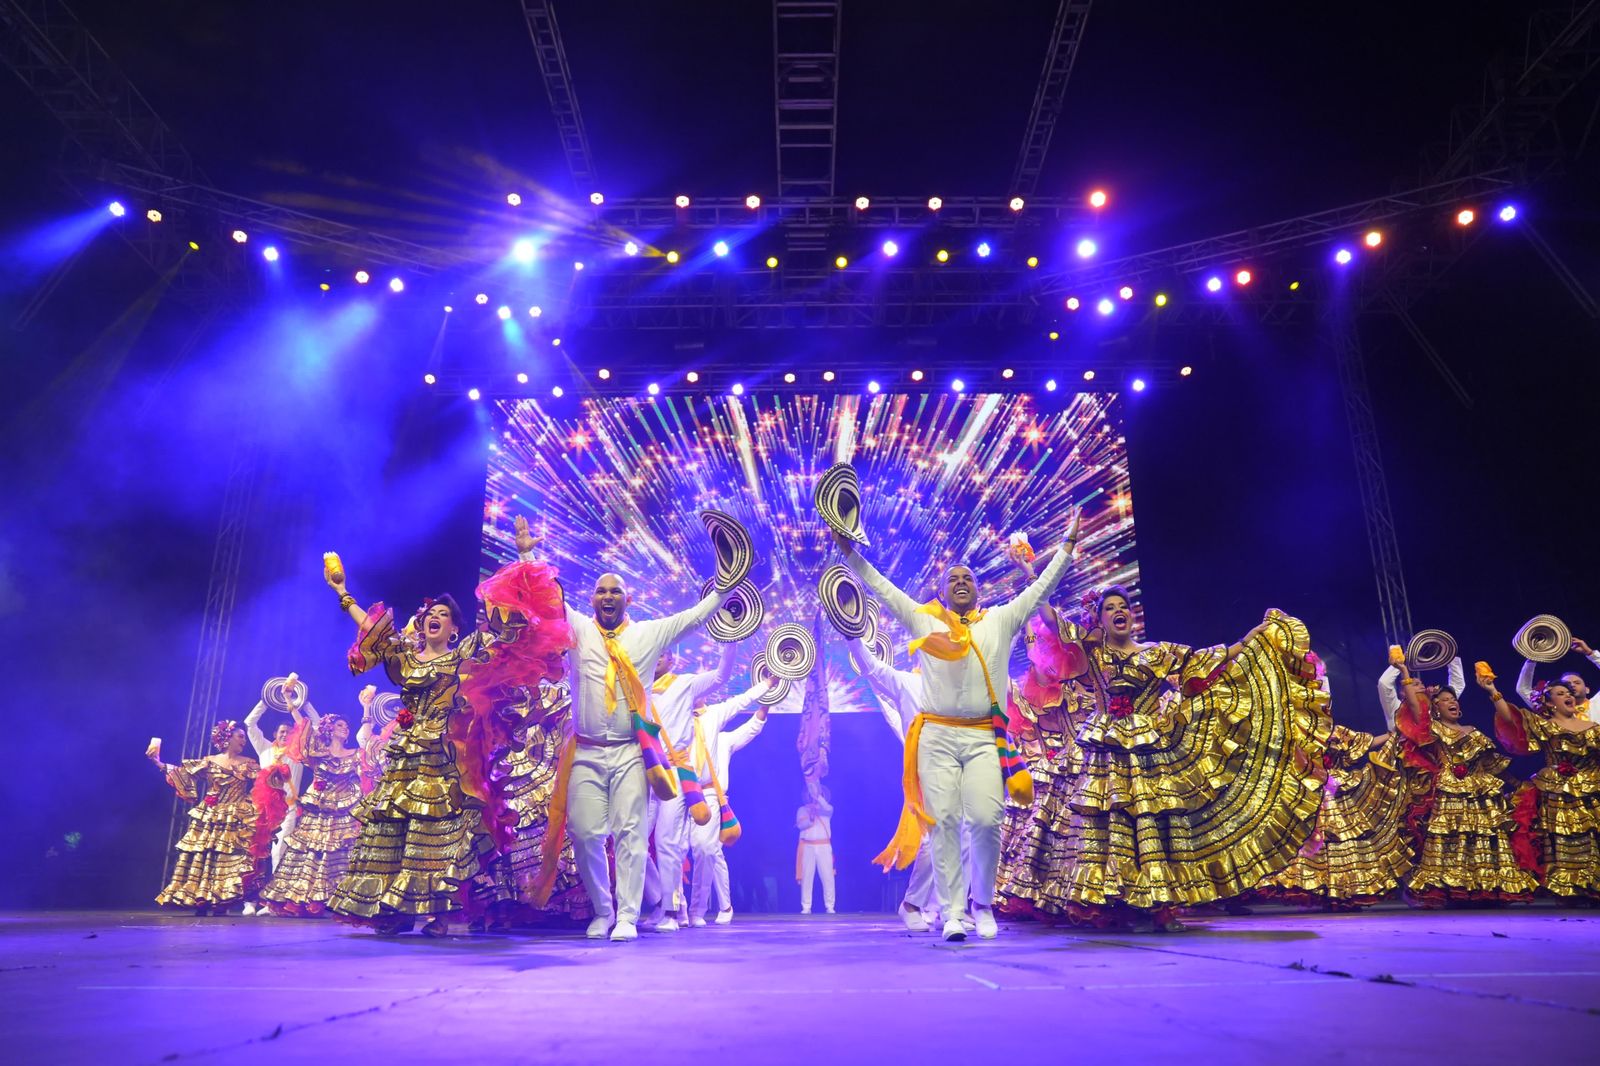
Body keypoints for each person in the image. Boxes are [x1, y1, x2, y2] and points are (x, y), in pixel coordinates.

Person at [1021, 588, 1331, 932]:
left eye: (1123, 606)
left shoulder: (1158, 652)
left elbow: (1213, 659)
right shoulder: (1094, 652)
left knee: (1155, 824)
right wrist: (1032, 576)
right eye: (1110, 607)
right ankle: (1114, 901)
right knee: (1110, 826)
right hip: (1106, 750)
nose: (1119, 611)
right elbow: (1051, 619)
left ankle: (1161, 906)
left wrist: (1252, 639)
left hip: (1149, 749)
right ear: (1101, 619)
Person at [839, 508, 1080, 941]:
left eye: (968, 578)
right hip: (937, 737)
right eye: (954, 579)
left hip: (984, 737)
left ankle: (981, 904)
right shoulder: (925, 620)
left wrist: (1067, 546)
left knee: (987, 820)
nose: (962, 582)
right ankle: (952, 913)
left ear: (977, 588)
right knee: (945, 822)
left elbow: (1043, 586)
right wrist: (851, 557)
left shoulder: (1001, 621)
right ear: (943, 591)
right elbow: (884, 589)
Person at [324, 551, 570, 936]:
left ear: (454, 628)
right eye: (427, 615)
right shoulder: (407, 660)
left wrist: (526, 561)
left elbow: (509, 633)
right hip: (406, 758)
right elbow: (378, 634)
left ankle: (445, 913)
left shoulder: (464, 655)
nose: (432, 617)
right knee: (397, 830)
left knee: (440, 833)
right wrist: (344, 594)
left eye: (441, 614)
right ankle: (395, 907)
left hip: (448, 756)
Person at [515, 515, 731, 943]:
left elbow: (692, 617)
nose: (607, 596)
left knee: (632, 832)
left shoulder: (648, 634)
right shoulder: (577, 630)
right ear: (592, 599)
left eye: (615, 591)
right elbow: (546, 599)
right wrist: (527, 553)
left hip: (633, 753)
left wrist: (725, 586)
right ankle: (603, 909)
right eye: (601, 591)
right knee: (584, 830)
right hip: (589, 751)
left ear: (627, 600)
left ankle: (628, 915)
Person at [1255, 656, 1414, 909]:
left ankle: (1343, 891)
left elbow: (1365, 741)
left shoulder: (1335, 731)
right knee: (1312, 840)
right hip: (1308, 791)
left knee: (1342, 841)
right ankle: (1318, 889)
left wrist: (1395, 736)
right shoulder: (1296, 733)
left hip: (1337, 791)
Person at [1394, 664, 1539, 905]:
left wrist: (1516, 786)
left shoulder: (1474, 731)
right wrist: (1404, 672)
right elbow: (1415, 709)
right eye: (1445, 700)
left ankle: (1488, 887)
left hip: (1480, 793)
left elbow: (1492, 763)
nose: (1453, 702)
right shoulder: (1435, 730)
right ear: (1435, 707)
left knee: (1485, 838)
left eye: (1454, 699)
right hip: (1450, 791)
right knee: (1452, 839)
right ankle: (1454, 889)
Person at [641, 647, 736, 932]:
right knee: (630, 841)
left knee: (667, 843)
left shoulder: (685, 684)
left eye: (662, 654)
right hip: (642, 769)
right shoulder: (637, 685)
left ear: (672, 660)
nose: (656, 658)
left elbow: (722, 676)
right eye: (652, 653)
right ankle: (657, 900)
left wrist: (730, 641)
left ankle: (670, 911)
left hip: (672, 774)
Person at [1486, 672, 1600, 901]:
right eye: (1560, 694)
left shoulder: (1593, 727)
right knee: (1560, 838)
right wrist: (1492, 691)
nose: (1567, 696)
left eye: (1569, 693)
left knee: (1592, 837)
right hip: (1556, 790)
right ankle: (1565, 889)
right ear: (1549, 702)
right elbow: (1511, 719)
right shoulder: (1545, 726)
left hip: (1591, 788)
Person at [148, 721, 264, 915]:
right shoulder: (210, 761)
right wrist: (158, 762)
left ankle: (222, 901)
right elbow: (184, 775)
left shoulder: (249, 764)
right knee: (204, 856)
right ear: (227, 738)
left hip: (234, 817)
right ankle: (201, 899)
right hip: (210, 815)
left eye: (244, 737)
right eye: (240, 736)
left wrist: (251, 802)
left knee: (229, 858)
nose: (244, 740)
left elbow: (263, 786)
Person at [685, 677, 773, 925]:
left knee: (705, 849)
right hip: (682, 794)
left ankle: (702, 909)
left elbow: (751, 727)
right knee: (680, 851)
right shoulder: (679, 724)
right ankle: (678, 909)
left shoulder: (721, 736)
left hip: (711, 795)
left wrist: (767, 702)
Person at [258, 714, 364, 916]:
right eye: (339, 725)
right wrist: (292, 704)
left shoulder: (354, 754)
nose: (345, 728)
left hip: (342, 811)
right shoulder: (318, 753)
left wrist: (367, 710)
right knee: (310, 853)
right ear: (329, 729)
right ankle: (306, 898)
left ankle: (342, 900)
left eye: (347, 726)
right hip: (318, 809)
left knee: (342, 854)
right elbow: (303, 726)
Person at [242, 674, 321, 915]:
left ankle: (273, 901)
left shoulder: (298, 753)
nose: (286, 734)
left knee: (279, 851)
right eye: (282, 731)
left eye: (289, 731)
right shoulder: (264, 749)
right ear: (275, 734)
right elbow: (250, 724)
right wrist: (267, 699)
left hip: (287, 808)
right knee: (256, 853)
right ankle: (250, 901)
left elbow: (316, 727)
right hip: (262, 808)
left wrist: (303, 701)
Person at [1516, 637, 1600, 722]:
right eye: (1566, 684)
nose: (1572, 685)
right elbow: (1523, 689)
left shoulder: (1597, 703)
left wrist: (1590, 653)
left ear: (1587, 690)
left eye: (1577, 683)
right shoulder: (1550, 709)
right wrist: (1532, 660)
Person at [1380, 656, 1465, 730]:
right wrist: (1401, 662)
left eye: (1422, 683)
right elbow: (1384, 683)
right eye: (1416, 684)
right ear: (1403, 692)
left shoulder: (1434, 706)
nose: (1422, 686)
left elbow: (1457, 686)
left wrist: (1449, 656)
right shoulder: (1396, 707)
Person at [797, 786, 836, 915]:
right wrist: (811, 818)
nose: (812, 796)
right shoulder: (802, 810)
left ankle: (830, 906)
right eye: (810, 794)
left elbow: (828, 808)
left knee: (828, 876)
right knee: (807, 876)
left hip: (824, 846)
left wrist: (818, 796)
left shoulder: (827, 810)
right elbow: (800, 825)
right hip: (808, 846)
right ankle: (806, 906)